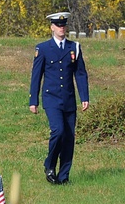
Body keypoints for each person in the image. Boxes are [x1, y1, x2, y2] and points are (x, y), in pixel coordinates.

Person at [29, 12, 89, 185]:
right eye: (58, 25)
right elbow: (36, 75)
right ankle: (49, 164)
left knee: (69, 138)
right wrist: (33, 100)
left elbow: (80, 73)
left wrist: (84, 96)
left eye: (63, 25)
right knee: (58, 131)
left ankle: (63, 176)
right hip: (51, 98)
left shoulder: (74, 47)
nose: (61, 28)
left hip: (68, 98)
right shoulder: (43, 48)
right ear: (52, 27)